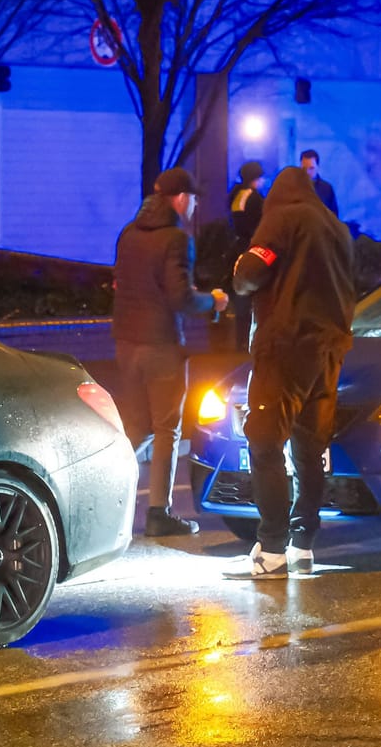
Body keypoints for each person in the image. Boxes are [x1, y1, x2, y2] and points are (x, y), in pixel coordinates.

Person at [222, 166, 358, 580]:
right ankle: (303, 545)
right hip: (329, 349)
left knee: (264, 441)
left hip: (285, 348)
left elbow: (249, 275)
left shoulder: (283, 218)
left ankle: (272, 549)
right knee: (309, 448)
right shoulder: (337, 229)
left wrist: (240, 267)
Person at [112, 167, 228, 537]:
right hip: (161, 345)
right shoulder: (176, 239)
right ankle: (159, 512)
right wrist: (214, 300)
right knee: (167, 430)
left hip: (126, 344)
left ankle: (105, 501)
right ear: (180, 198)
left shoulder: (128, 233)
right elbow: (180, 297)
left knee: (134, 429)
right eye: (192, 198)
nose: (193, 205)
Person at [225, 161, 267, 352]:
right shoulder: (255, 198)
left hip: (237, 249)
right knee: (251, 298)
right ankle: (250, 343)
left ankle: (239, 341)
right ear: (255, 179)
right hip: (251, 249)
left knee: (240, 297)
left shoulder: (236, 195)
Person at [300, 149, 339, 218]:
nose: (307, 172)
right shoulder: (293, 188)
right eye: (304, 168)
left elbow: (334, 217)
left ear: (318, 167)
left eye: (311, 168)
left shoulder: (327, 189)